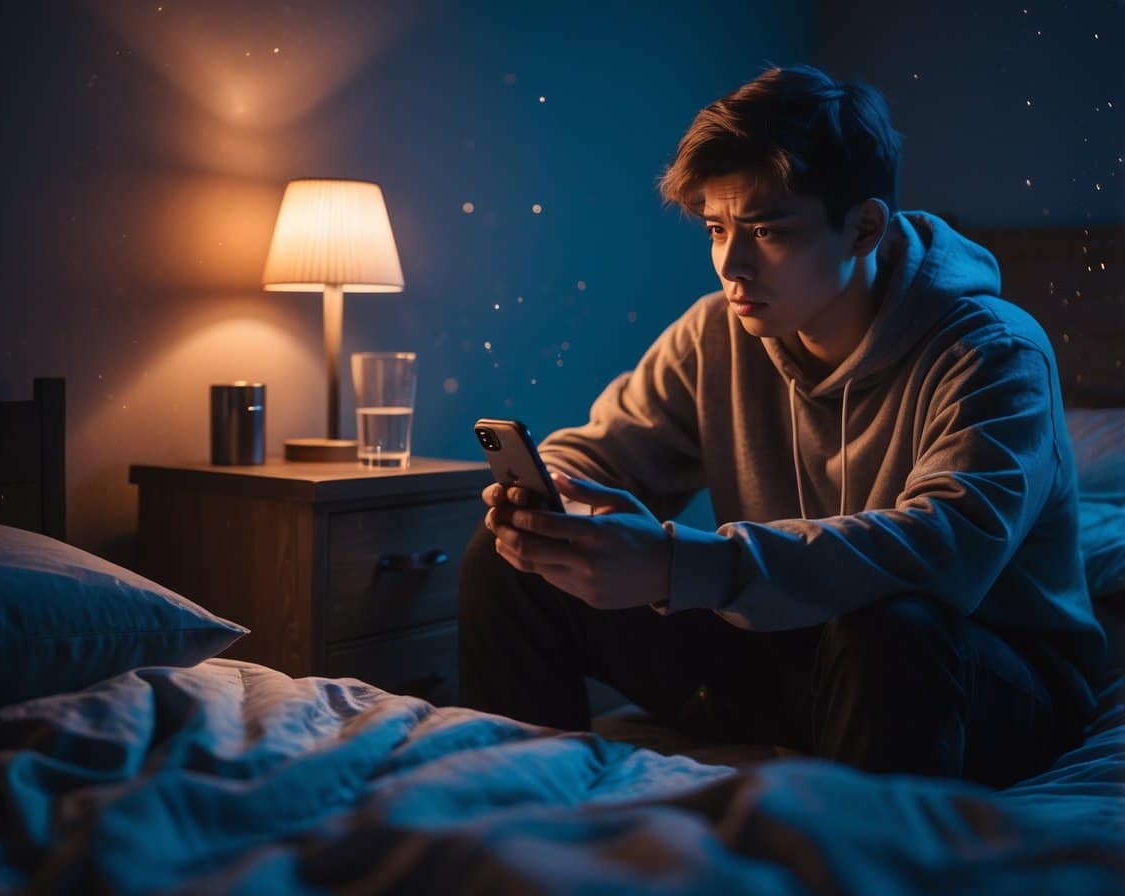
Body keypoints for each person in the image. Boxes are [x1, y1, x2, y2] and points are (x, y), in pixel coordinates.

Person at [457, 64, 1106, 787]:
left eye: (766, 231)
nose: (731, 265)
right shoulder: (718, 332)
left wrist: (681, 565)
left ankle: (858, 849)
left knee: (889, 623)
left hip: (979, 681)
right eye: (715, 228)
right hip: (793, 658)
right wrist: (558, 506)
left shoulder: (993, 351)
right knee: (509, 563)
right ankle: (521, 806)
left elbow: (942, 550)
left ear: (863, 227)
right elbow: (604, 451)